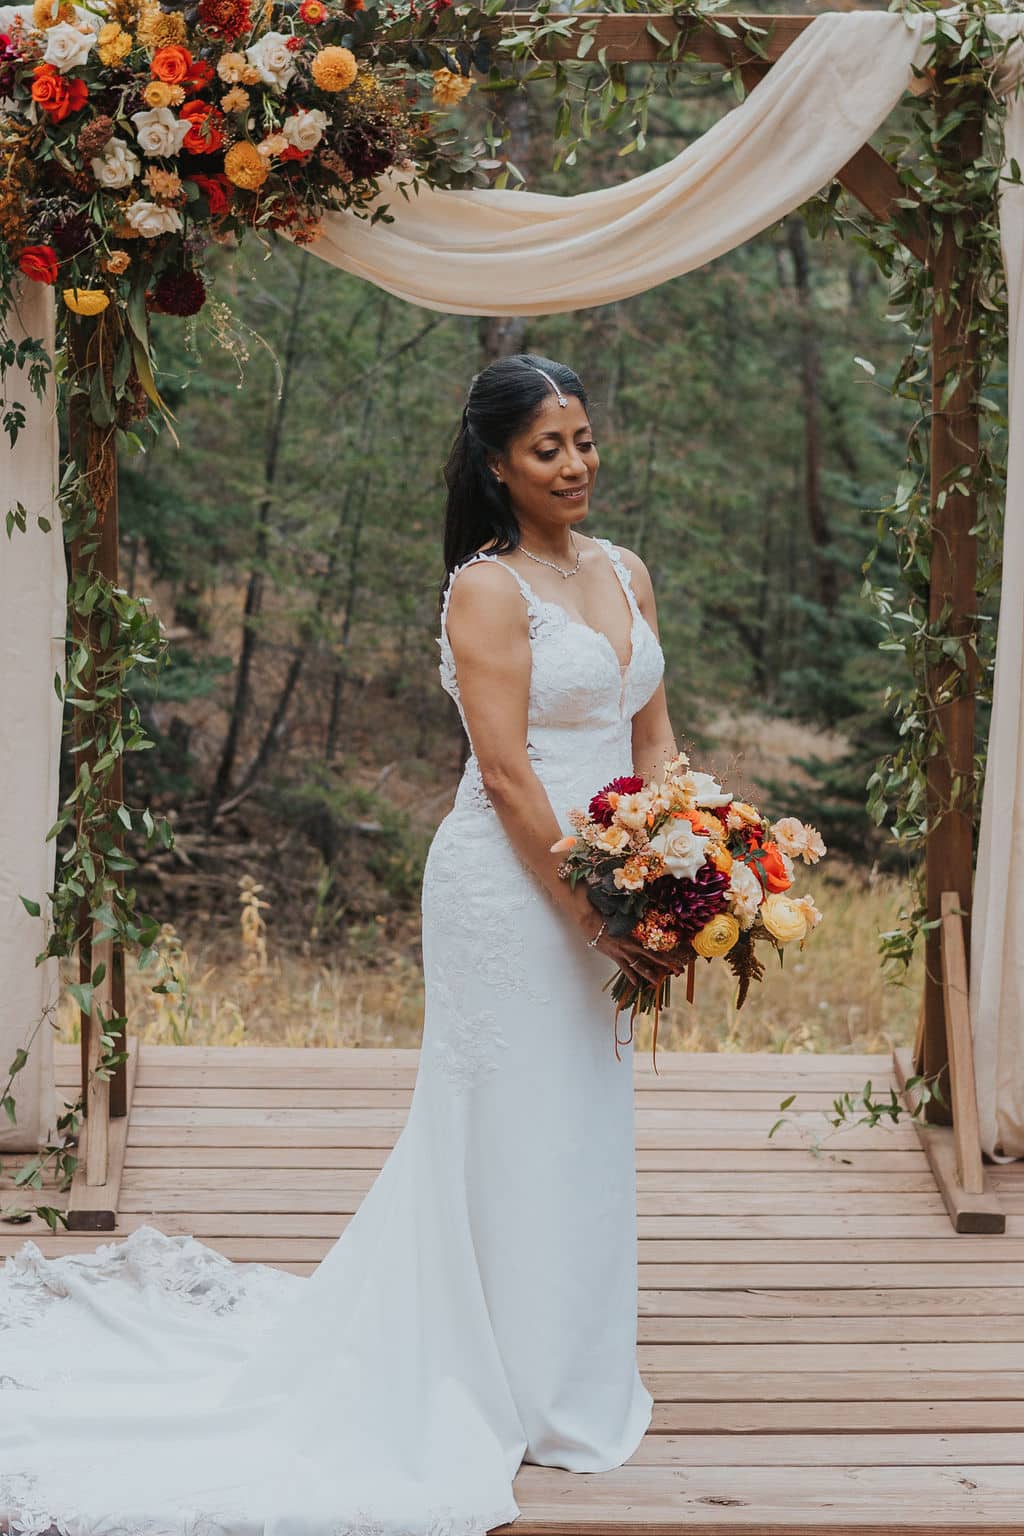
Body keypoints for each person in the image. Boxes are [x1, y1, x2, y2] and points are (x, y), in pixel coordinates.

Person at [0, 353, 680, 1536]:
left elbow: (654, 737)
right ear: (496, 464)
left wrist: (681, 866)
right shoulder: (486, 590)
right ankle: (484, 1370)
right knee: (503, 1120)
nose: (575, 464)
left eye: (582, 439)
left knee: (580, 1115)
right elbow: (507, 773)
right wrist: (590, 908)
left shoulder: (625, 571)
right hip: (513, 889)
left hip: (616, 878)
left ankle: (567, 1366)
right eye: (546, 448)